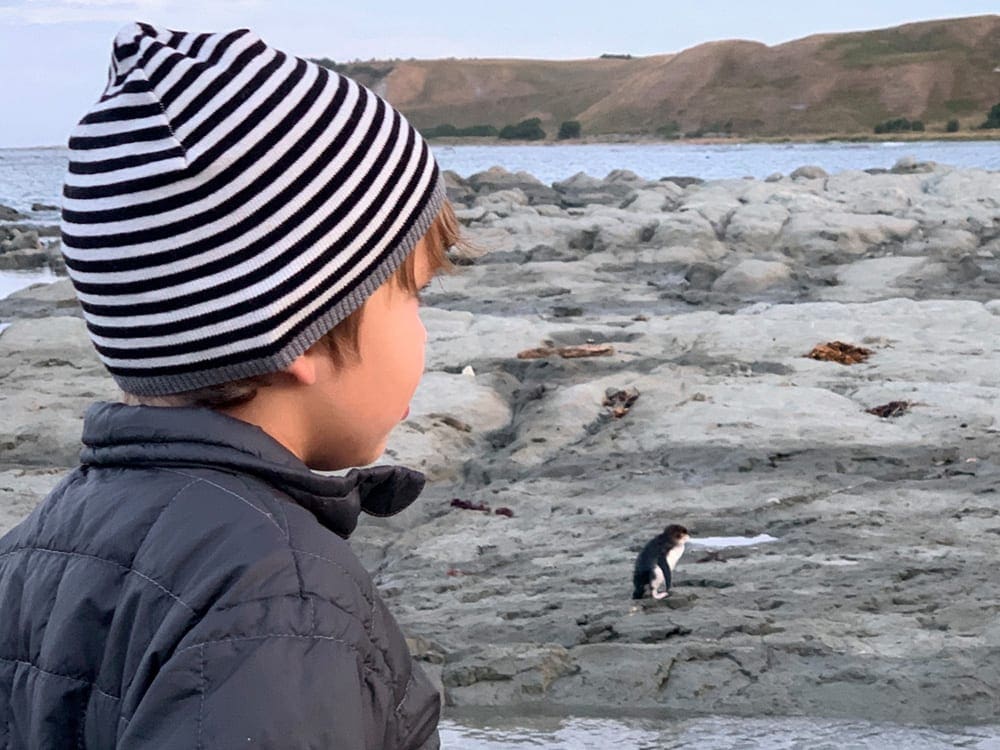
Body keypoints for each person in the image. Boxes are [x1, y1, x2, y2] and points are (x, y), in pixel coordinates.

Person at [0, 21, 458, 749]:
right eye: (414, 293)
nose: (425, 333)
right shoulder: (281, 602)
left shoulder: (36, 547)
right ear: (301, 328)